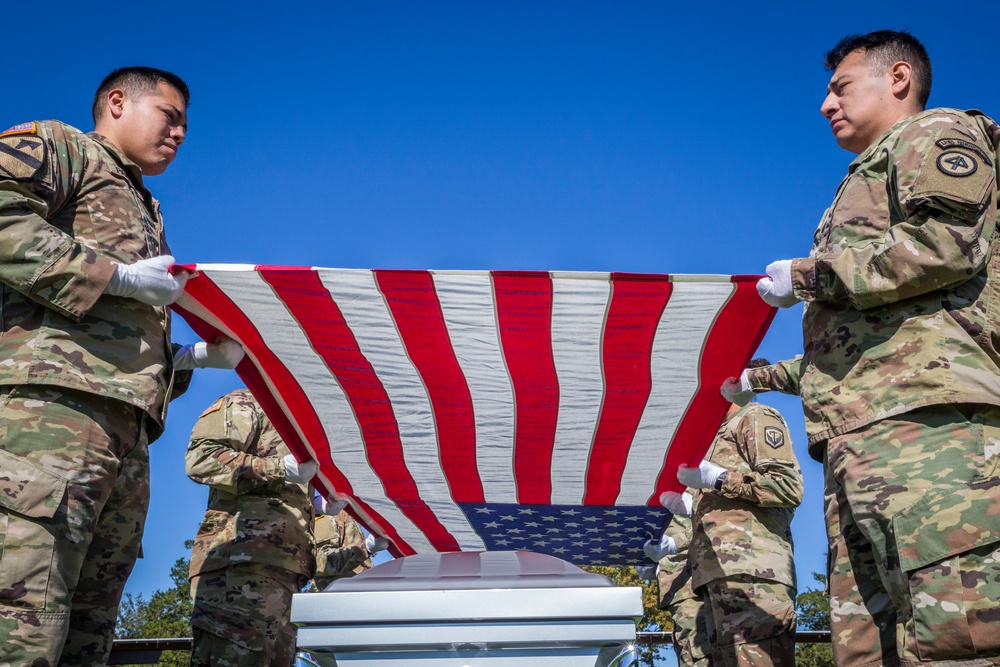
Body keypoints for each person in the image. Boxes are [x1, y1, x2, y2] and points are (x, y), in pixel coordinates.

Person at [748, 29, 1000, 666]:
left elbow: (947, 244)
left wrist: (812, 275)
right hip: (858, 439)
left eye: (840, 87)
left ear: (898, 79)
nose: (826, 105)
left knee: (957, 639)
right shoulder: (860, 178)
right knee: (867, 650)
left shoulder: (931, 134)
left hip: (930, 433)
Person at [0, 67, 242, 667]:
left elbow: (116, 334)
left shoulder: (146, 205)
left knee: (87, 630)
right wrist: (118, 275)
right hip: (47, 417)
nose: (181, 133)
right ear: (116, 102)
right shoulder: (62, 148)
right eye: (171, 115)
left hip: (124, 433)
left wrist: (183, 359)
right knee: (23, 621)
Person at [186, 388, 319, 666]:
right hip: (238, 568)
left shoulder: (306, 422)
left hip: (286, 574)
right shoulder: (252, 400)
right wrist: (277, 469)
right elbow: (201, 458)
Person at [662, 401, 801, 667]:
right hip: (715, 578)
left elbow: (787, 487)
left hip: (754, 573)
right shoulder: (713, 437)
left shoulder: (755, 417)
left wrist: (718, 478)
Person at [638, 514, 711, 667]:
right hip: (680, 583)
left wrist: (675, 543)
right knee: (693, 653)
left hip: (704, 577)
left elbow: (718, 519)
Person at [308, 495, 377, 592]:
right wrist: (367, 548)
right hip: (335, 595)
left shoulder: (350, 511)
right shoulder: (326, 511)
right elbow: (320, 562)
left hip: (363, 590)